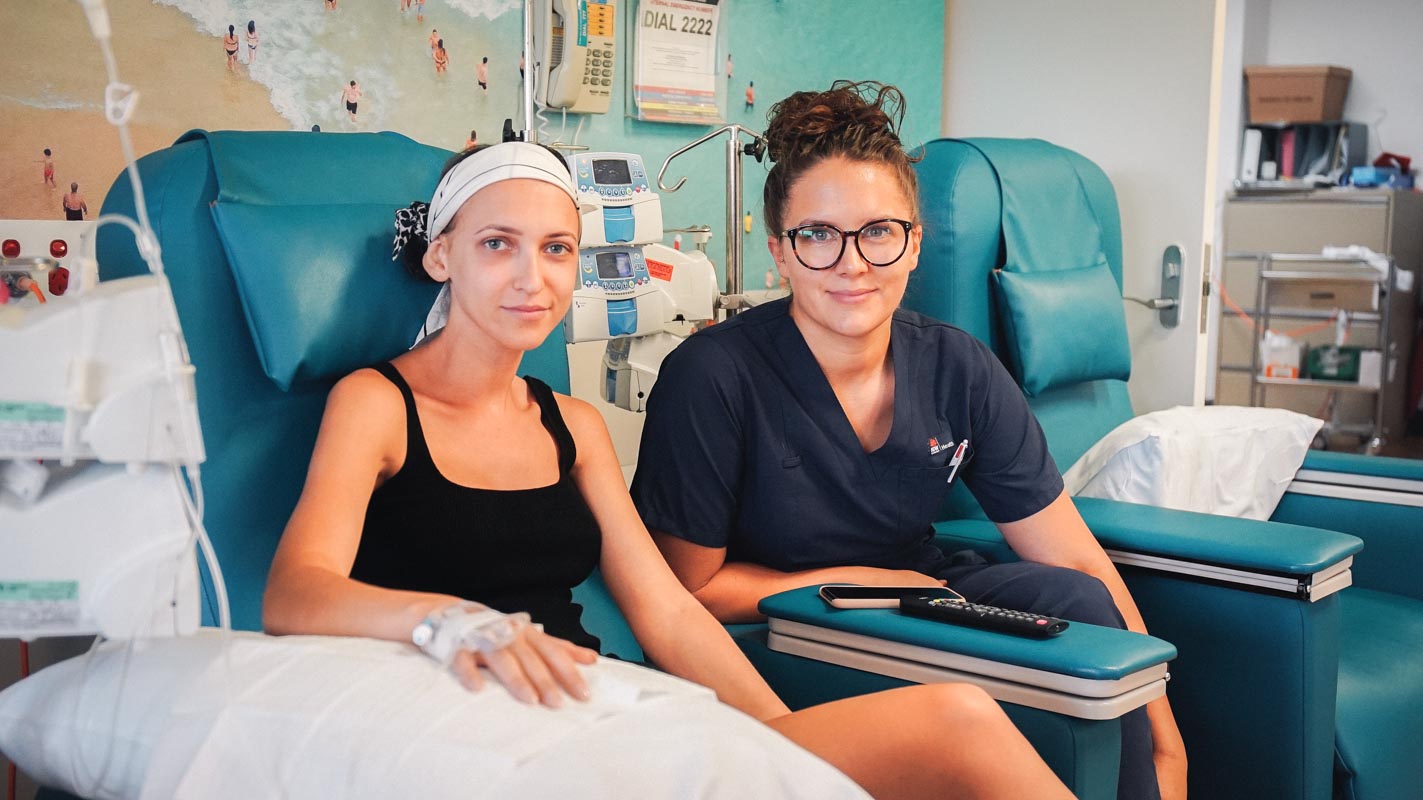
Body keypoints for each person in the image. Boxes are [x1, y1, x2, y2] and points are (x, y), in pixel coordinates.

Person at [262, 141, 1075, 800]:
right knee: (954, 727)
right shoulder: (375, 403)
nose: (529, 276)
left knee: (958, 721)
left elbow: (668, 610)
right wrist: (448, 622)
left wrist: (774, 735)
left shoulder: (569, 426)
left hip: (583, 703)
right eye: (496, 245)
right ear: (442, 257)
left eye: (555, 249)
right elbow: (294, 593)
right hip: (455, 715)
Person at [629, 81, 1188, 800]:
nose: (853, 264)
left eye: (878, 232)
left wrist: (1168, 743)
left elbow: (1073, 554)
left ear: (914, 243)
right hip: (790, 627)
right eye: (818, 235)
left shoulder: (956, 366)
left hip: (920, 596)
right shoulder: (712, 378)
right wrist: (863, 587)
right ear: (780, 253)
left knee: (1072, 595)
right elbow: (689, 593)